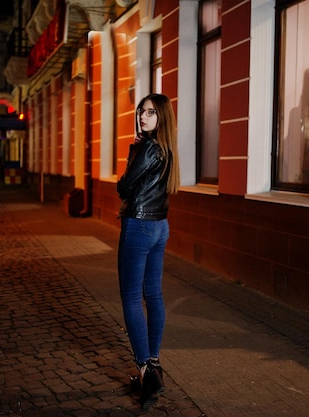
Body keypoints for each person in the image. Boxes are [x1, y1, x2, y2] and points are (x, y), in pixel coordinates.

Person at [116, 93, 180, 410]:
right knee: (153, 294)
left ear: (161, 116)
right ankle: (154, 363)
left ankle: (145, 370)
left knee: (131, 297)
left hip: (139, 226)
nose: (143, 116)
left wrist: (134, 150)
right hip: (160, 227)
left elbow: (124, 187)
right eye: (141, 111)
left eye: (150, 112)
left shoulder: (148, 147)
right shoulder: (167, 148)